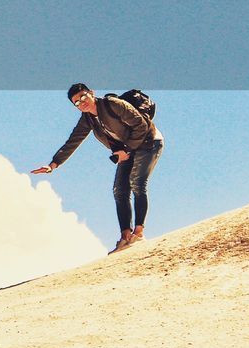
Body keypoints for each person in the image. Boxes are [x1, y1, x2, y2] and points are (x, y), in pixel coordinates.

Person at [30, 83, 164, 254]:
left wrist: (126, 150)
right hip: (126, 150)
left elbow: (141, 126)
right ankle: (125, 237)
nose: (81, 103)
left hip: (149, 141)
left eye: (83, 97)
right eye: (76, 103)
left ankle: (138, 234)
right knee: (119, 191)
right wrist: (53, 164)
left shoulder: (113, 104)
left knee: (137, 183)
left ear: (91, 93)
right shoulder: (87, 119)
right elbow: (73, 140)